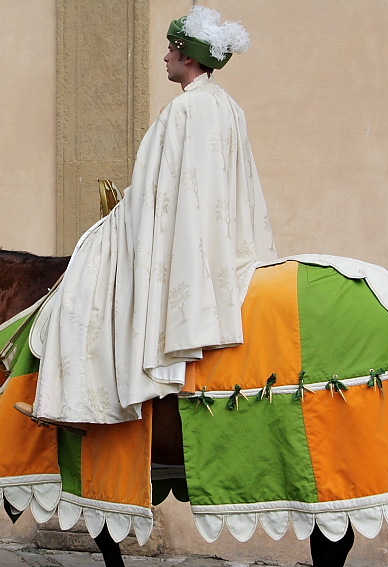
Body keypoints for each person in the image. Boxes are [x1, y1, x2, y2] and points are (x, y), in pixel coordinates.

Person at [23, 6, 277, 426]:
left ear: (188, 57)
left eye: (170, 50)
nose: (164, 58)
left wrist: (119, 213)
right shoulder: (228, 107)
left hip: (175, 228)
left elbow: (155, 191)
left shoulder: (182, 111)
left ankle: (81, 403)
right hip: (219, 236)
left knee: (89, 268)